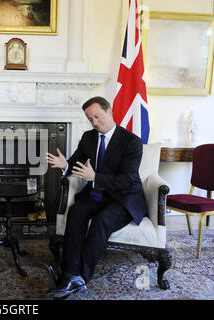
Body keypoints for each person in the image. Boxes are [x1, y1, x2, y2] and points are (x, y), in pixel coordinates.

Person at [45, 96, 147, 299]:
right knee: (76, 212)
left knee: (101, 221)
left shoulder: (132, 142)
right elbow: (77, 163)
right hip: (96, 194)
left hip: (123, 198)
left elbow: (128, 180)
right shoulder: (89, 137)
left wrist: (95, 177)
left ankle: (81, 276)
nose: (95, 123)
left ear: (109, 111)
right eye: (90, 119)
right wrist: (65, 164)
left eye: (97, 117)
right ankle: (69, 272)